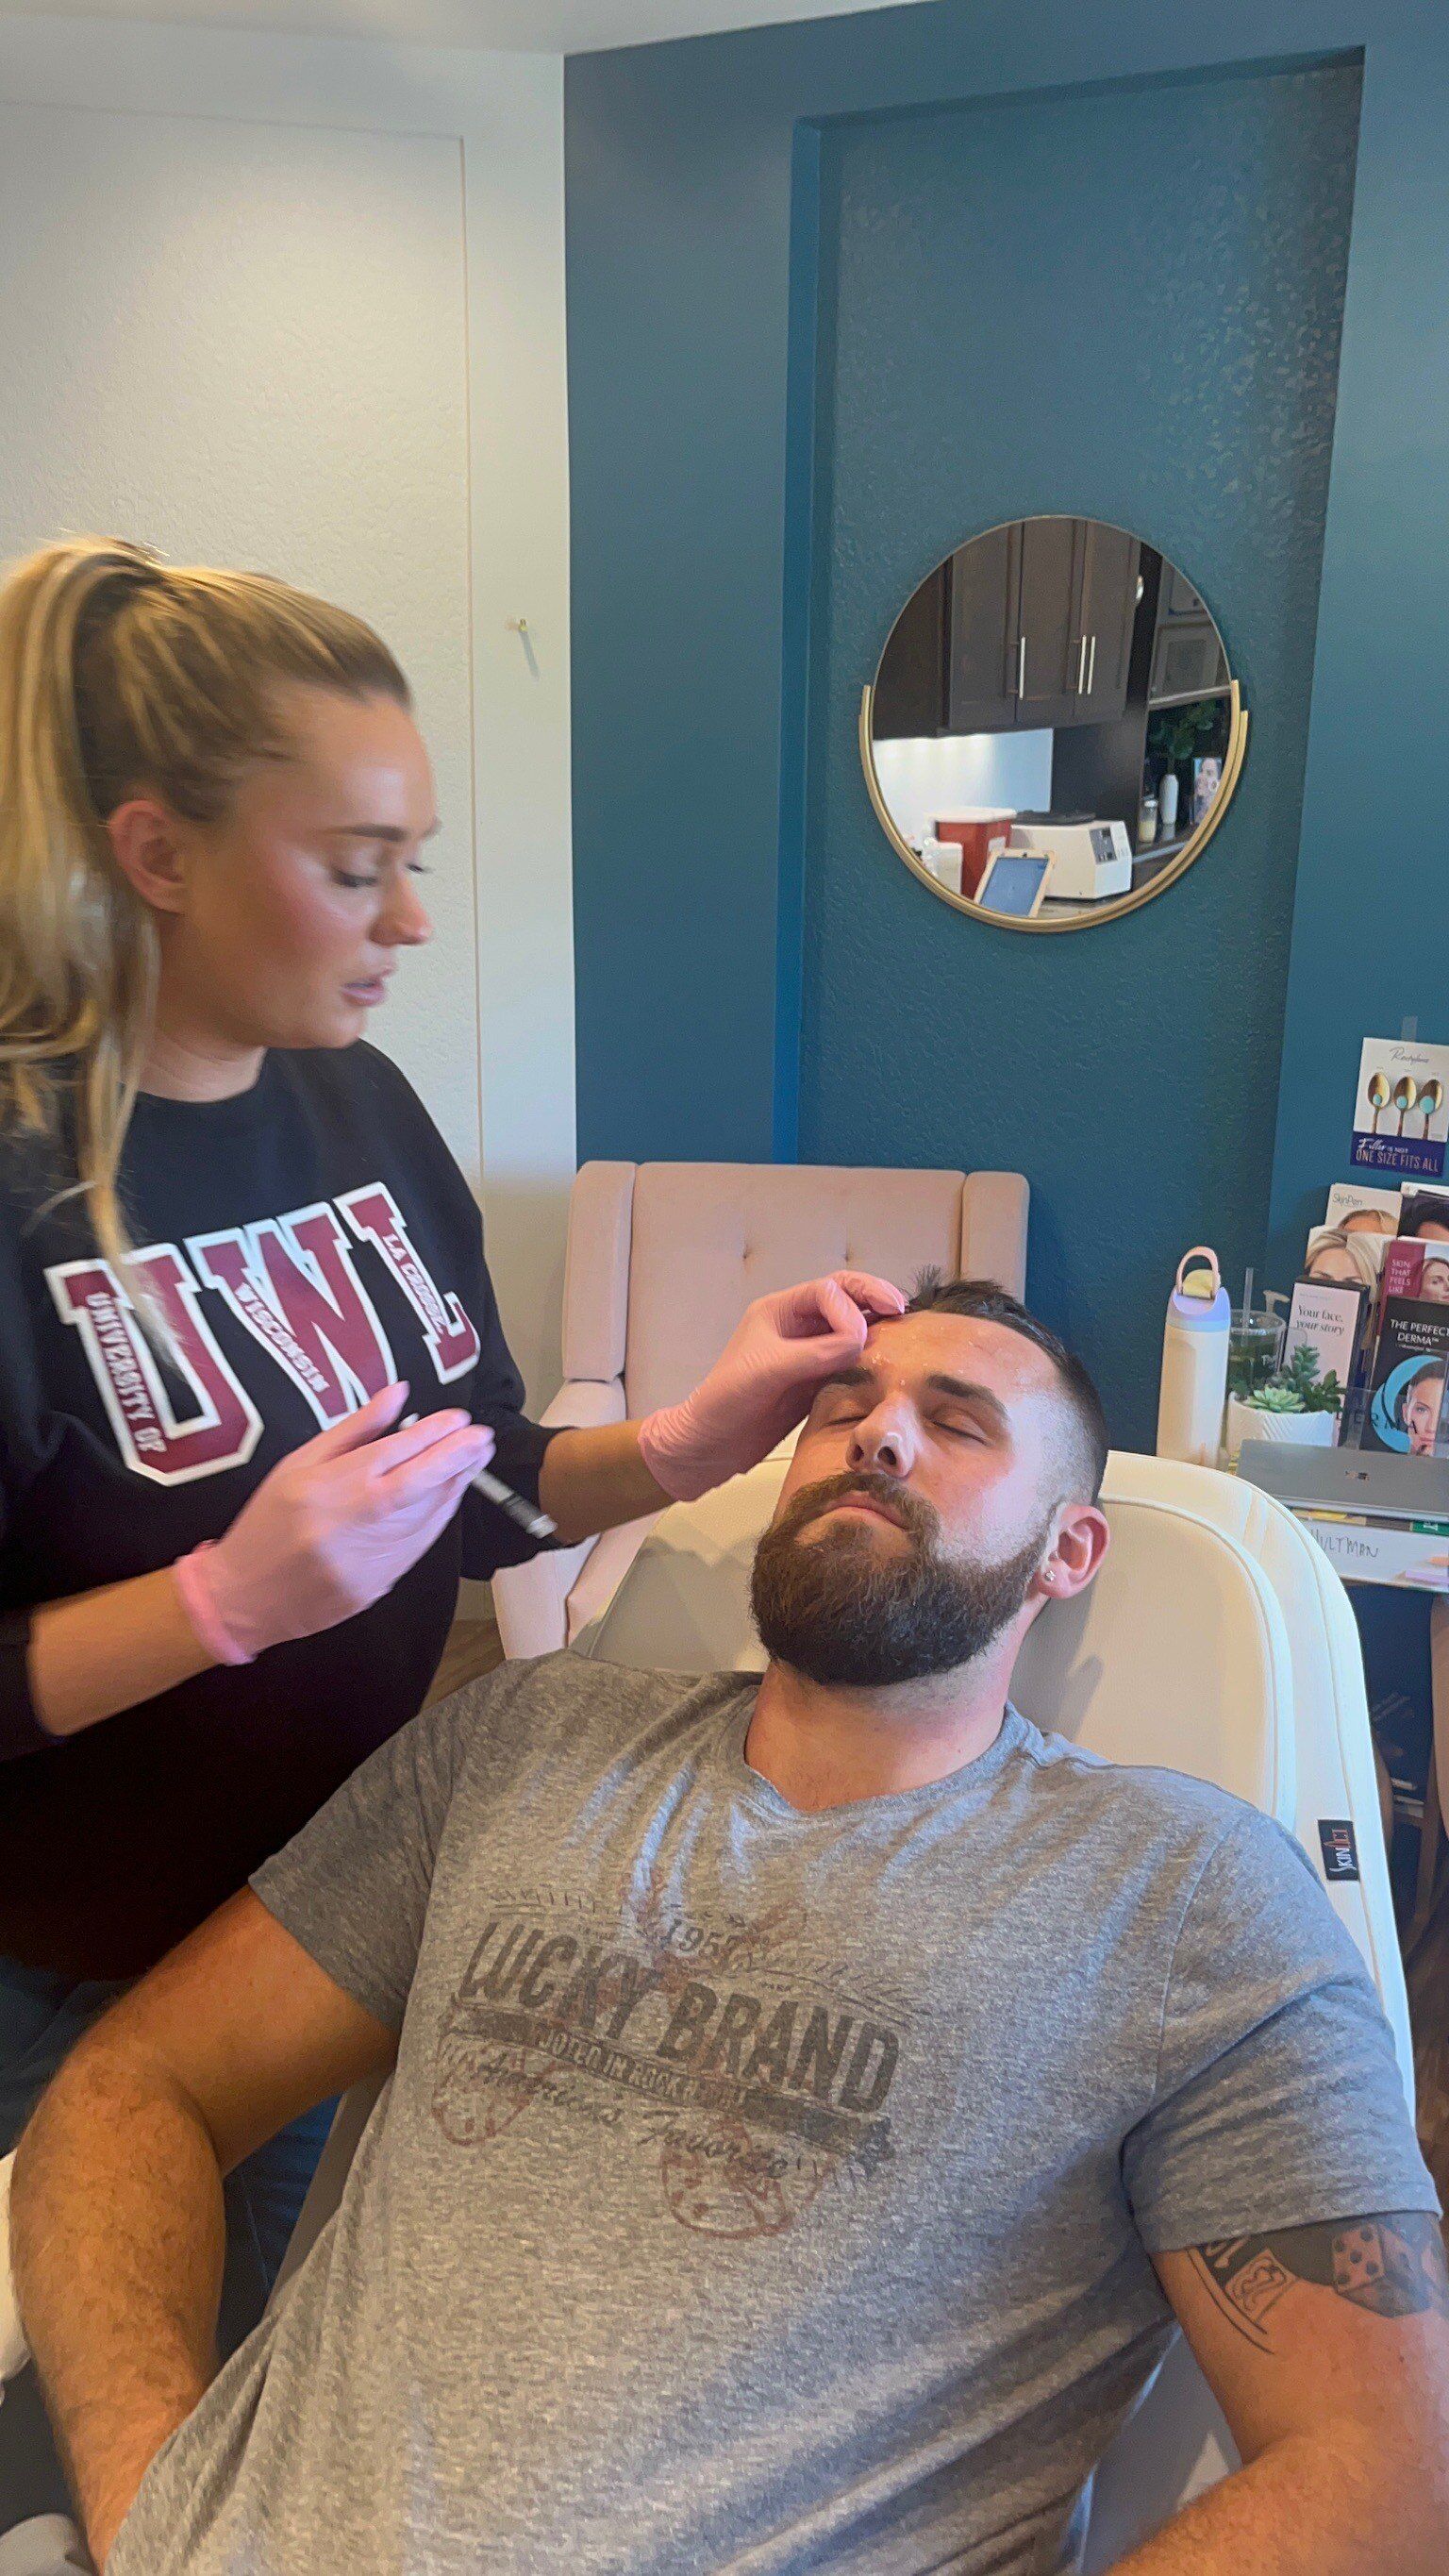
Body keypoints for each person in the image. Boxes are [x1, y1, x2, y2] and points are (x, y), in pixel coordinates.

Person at [13, 1276, 1448, 2576]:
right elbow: (135, 2085)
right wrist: (158, 2508)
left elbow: (1394, 2471)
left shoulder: (1183, 1894)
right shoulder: (524, 1740)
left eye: (955, 1424)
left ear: (1070, 1550)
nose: (876, 1437)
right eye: (842, 1408)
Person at [0, 536, 905, 2511]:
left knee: (229, 2423)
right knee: (70, 2464)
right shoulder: (23, 1192)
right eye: (354, 864)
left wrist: (683, 1439)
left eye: (417, 851)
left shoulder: (358, 1107)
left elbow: (479, 1481)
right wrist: (218, 1605)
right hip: (55, 1973)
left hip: (305, 1917)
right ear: (155, 854)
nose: (411, 915)